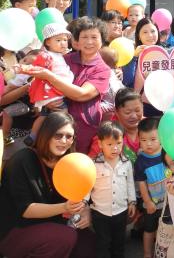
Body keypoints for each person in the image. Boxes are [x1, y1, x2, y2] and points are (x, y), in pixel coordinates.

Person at [0, 112, 95, 258]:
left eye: (69, 136)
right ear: (46, 135)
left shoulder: (69, 162)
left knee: (88, 245)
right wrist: (64, 207)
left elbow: (78, 194)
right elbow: (26, 210)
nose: (64, 141)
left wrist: (85, 209)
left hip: (53, 224)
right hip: (16, 230)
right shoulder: (22, 160)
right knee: (64, 238)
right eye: (58, 135)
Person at [20, 16, 112, 153]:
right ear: (76, 40)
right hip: (54, 124)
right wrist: (45, 100)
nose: (89, 42)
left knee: (75, 164)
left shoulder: (102, 69)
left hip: (83, 127)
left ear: (102, 40)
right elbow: (40, 80)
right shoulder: (64, 59)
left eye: (94, 37)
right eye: (84, 37)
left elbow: (81, 94)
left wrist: (50, 77)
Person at [91, 121, 137, 258]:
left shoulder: (126, 162)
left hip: (121, 210)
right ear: (100, 144)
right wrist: (83, 202)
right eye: (109, 144)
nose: (115, 148)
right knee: (103, 243)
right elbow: (88, 185)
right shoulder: (94, 164)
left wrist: (132, 202)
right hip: (100, 212)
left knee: (119, 242)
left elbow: (130, 183)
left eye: (118, 143)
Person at [26, 23, 74, 143]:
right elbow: (37, 70)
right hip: (53, 93)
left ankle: (33, 136)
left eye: (65, 40)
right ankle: (54, 134)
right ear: (48, 42)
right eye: (58, 40)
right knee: (63, 114)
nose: (63, 43)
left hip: (53, 92)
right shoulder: (46, 56)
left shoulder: (57, 55)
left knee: (43, 116)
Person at [135, 117, 168, 258]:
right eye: (143, 140)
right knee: (149, 229)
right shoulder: (141, 161)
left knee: (166, 228)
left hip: (168, 201)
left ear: (161, 137)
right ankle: (147, 253)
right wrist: (147, 201)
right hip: (152, 203)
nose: (148, 144)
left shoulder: (166, 152)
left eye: (153, 139)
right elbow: (141, 182)